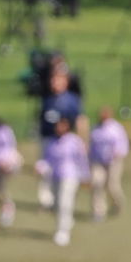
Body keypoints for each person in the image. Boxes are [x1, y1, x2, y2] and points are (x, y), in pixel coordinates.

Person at [37, 68, 85, 210]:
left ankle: (65, 197)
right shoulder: (47, 98)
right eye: (53, 79)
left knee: (66, 170)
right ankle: (48, 200)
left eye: (57, 79)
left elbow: (80, 120)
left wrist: (82, 140)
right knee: (45, 170)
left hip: (65, 141)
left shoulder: (72, 100)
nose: (54, 82)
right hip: (48, 140)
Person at [46, 115, 88, 247]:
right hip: (55, 176)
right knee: (56, 204)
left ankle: (63, 231)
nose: (59, 128)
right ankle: (67, 221)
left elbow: (81, 160)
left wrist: (85, 176)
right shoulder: (52, 142)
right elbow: (47, 160)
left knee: (65, 203)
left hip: (70, 176)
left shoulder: (74, 141)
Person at [88, 106, 129, 221]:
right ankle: (98, 211)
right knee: (97, 184)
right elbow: (92, 145)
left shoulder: (116, 128)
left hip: (113, 161)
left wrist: (118, 153)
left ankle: (117, 203)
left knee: (112, 186)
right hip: (98, 161)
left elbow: (123, 144)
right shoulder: (95, 128)